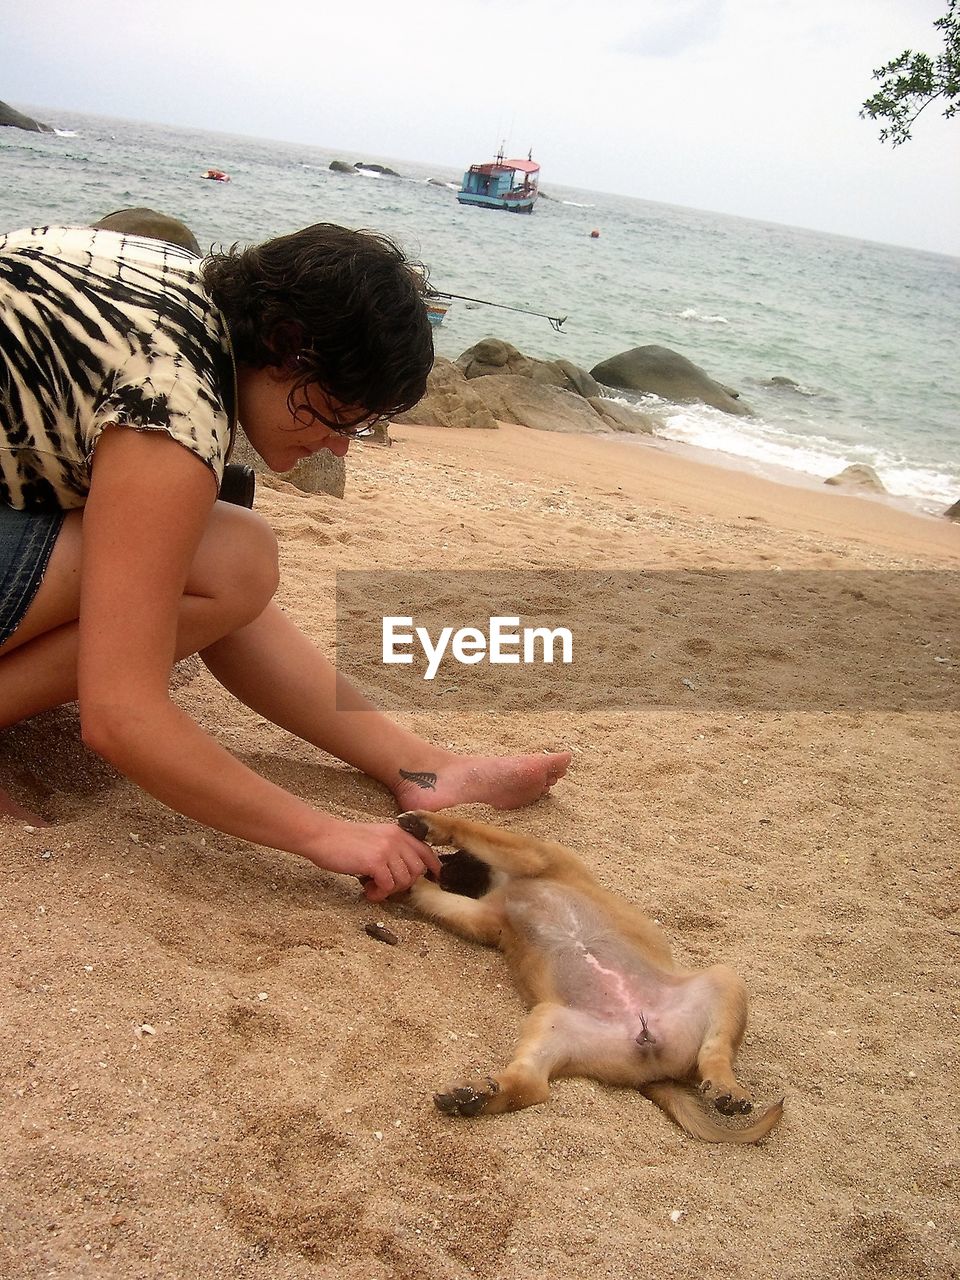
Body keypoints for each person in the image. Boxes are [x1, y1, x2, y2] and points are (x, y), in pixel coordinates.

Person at [0, 220, 570, 900]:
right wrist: (326, 834)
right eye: (337, 415)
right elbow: (120, 716)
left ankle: (417, 767)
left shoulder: (175, 281)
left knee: (203, 545)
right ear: (288, 346)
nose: (339, 448)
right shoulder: (173, 401)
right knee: (234, 557)